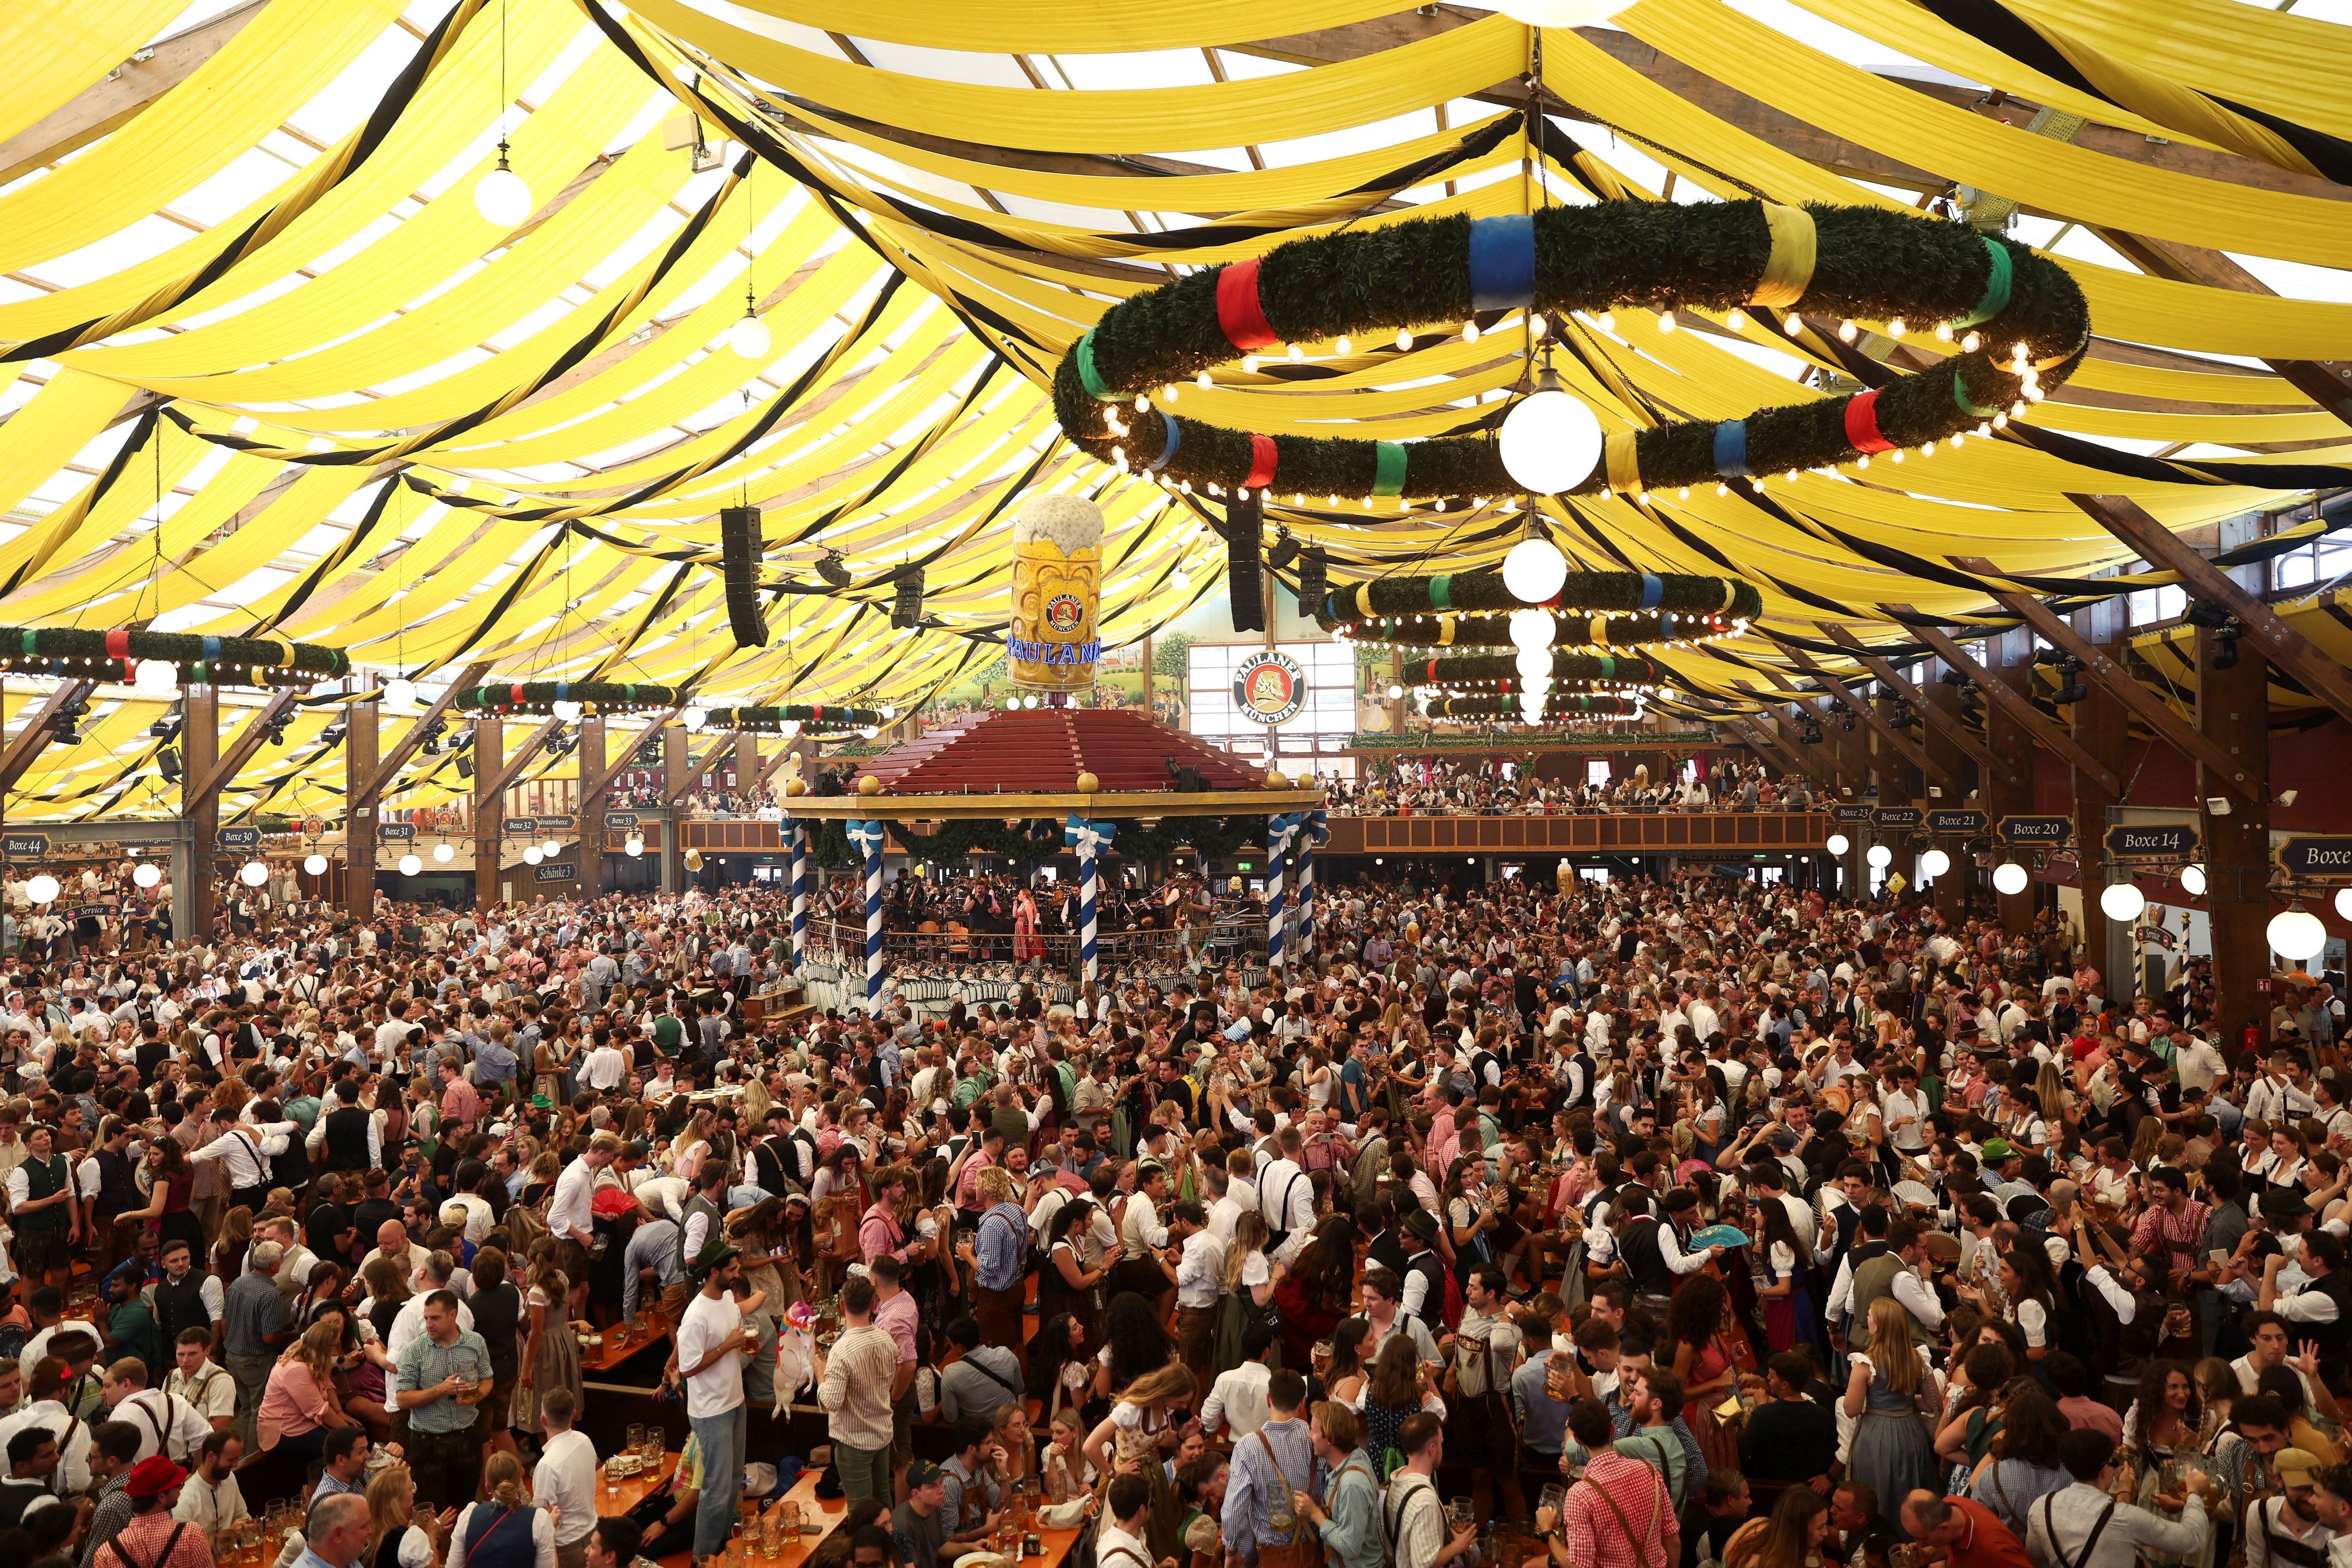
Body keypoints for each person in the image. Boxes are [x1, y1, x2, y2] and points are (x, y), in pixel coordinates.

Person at [2022, 1429, 2213, 1568]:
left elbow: (2037, 1560)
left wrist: (2124, 1491)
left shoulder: (2041, 1507)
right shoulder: (2125, 1518)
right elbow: (2192, 1539)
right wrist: (2194, 1493)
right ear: (2105, 1468)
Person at [674, 1240, 754, 1563]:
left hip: (735, 1401)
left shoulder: (726, 1301)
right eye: (732, 1270)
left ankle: (724, 1544)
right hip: (711, 1412)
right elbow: (688, 1367)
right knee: (716, 1489)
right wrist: (726, 1346)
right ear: (714, 1272)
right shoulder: (695, 1315)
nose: (737, 1274)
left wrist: (743, 1344)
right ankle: (702, 1558)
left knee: (734, 1480)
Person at [1846, 1299, 1940, 1536]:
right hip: (1911, 1432)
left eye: (1869, 1315)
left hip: (1876, 1437)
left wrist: (1878, 1401)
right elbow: (1933, 1403)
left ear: (1878, 1326)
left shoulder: (1865, 1363)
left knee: (1879, 1494)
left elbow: (1851, 1409)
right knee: (1911, 1491)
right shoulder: (1917, 1358)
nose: (1867, 1319)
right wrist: (1905, 1403)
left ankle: (1880, 1543)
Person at [392, 1291, 491, 1512]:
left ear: (453, 1315)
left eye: (435, 1318)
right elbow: (402, 1399)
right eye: (426, 1318)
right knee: (431, 1512)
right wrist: (441, 1389)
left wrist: (478, 1394)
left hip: (467, 1438)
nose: (429, 1324)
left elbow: (487, 1378)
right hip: (428, 1445)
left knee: (464, 1508)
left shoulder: (475, 1343)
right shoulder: (414, 1351)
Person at [814, 1273, 896, 1514]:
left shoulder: (841, 1351)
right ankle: (890, 1550)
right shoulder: (887, 1340)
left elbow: (831, 1402)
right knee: (882, 1501)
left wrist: (821, 1372)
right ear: (873, 1305)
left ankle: (869, 1551)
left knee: (860, 1511)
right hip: (881, 1434)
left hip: (854, 1442)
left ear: (841, 1306)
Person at [1218, 1368, 1315, 1568]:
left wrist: (1231, 1549)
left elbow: (1233, 1512)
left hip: (1275, 1558)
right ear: (1302, 1404)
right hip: (1315, 1552)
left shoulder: (1247, 1446)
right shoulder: (1314, 1437)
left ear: (1268, 1400)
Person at [1385, 1412, 1484, 1568]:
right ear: (1432, 1449)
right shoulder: (1425, 1501)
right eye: (1441, 1443)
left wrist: (1438, 1513)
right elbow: (1423, 1565)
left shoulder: (1399, 1477)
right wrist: (1459, 1546)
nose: (1441, 1448)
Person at [1291, 1401, 1381, 1568]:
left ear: (1330, 1439)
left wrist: (1315, 1513)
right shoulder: (1356, 1455)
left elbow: (1350, 1548)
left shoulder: (1352, 1483)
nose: (1309, 1436)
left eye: (1313, 1431)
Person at [1736, 1352, 1838, 1490]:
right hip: (1810, 1490)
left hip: (1766, 1488)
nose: (1767, 1379)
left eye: (1772, 1377)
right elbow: (1830, 1455)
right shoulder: (1823, 1415)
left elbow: (1741, 1452)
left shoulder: (1764, 1414)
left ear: (1784, 1385)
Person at [91, 1455, 213, 1568]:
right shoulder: (191, 1535)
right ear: (162, 1497)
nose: (180, 1491)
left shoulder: (107, 1554)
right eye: (178, 1486)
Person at [449, 1453, 555, 1568]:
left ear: (488, 1487)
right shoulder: (539, 1520)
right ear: (521, 1476)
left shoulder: (468, 1516)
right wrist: (550, 1528)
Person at [531, 1389, 595, 1568]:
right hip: (593, 1534)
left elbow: (543, 1518)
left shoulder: (547, 1465)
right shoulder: (584, 1440)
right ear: (574, 1414)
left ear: (542, 1420)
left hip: (566, 1547)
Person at [1898, 1491, 2034, 1568]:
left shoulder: (1995, 1549)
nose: (1918, 1543)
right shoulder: (1951, 1505)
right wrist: (1928, 1556)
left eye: (1922, 1538)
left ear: (1944, 1529)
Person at [934, 1319, 1020, 1427]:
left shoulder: (951, 1373)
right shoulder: (1006, 1354)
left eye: (951, 1344)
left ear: (960, 1347)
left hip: (981, 1433)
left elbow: (951, 1417)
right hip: (1012, 1426)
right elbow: (1019, 1389)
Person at [171, 1431, 247, 1537]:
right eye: (231, 1460)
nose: (236, 1464)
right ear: (211, 1456)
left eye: (237, 1459)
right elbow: (189, 1551)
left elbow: (242, 1516)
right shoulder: (184, 1500)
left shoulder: (230, 1478)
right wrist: (228, 1534)